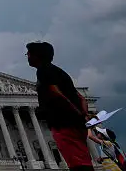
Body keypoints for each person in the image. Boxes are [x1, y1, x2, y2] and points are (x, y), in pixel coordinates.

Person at [26, 41, 92, 171]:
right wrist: (84, 115)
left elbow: (56, 93)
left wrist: (76, 113)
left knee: (76, 163)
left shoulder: (43, 71)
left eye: (28, 53)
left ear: (36, 56)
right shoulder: (59, 72)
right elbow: (82, 98)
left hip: (64, 123)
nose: (27, 56)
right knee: (82, 159)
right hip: (75, 123)